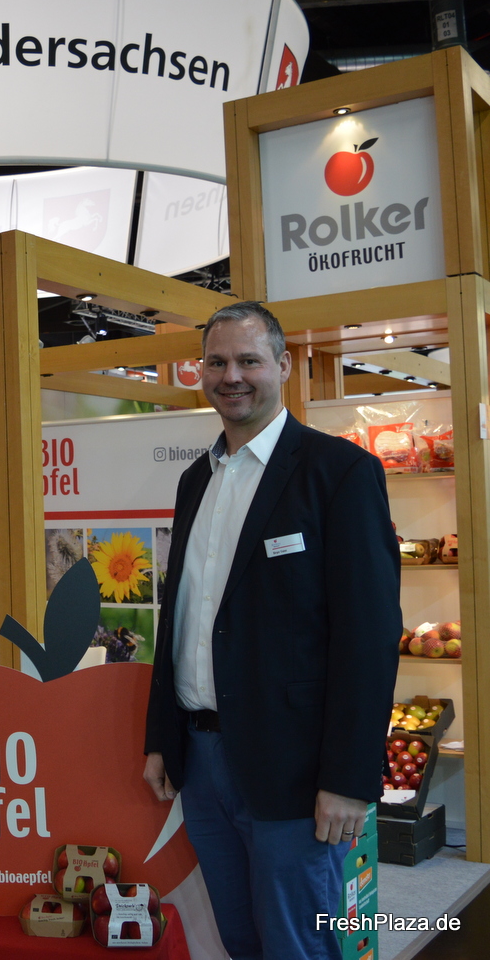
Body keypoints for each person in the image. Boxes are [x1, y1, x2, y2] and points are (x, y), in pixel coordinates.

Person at [142, 302, 399, 960]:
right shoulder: (196, 479)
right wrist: (162, 737)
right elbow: (184, 618)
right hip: (202, 761)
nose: (232, 376)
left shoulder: (338, 473)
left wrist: (349, 777)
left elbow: (368, 639)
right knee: (239, 939)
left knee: (297, 942)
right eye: (218, 362)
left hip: (295, 767)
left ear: (282, 366)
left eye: (249, 360)